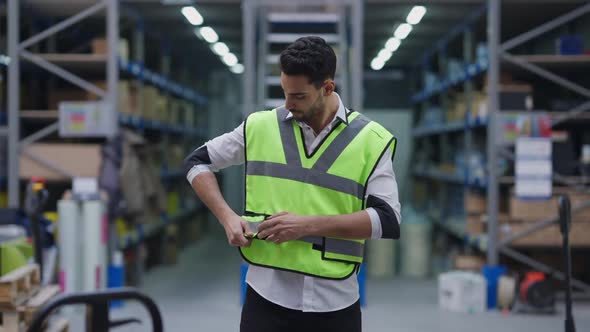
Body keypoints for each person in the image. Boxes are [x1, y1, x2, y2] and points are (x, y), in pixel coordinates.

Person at [184, 36, 401, 332]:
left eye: (298, 96)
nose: (288, 103)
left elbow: (387, 220)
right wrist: (227, 218)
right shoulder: (260, 126)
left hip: (335, 304)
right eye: (285, 92)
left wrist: (307, 225)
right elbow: (197, 162)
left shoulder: (371, 140)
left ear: (327, 88)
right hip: (265, 298)